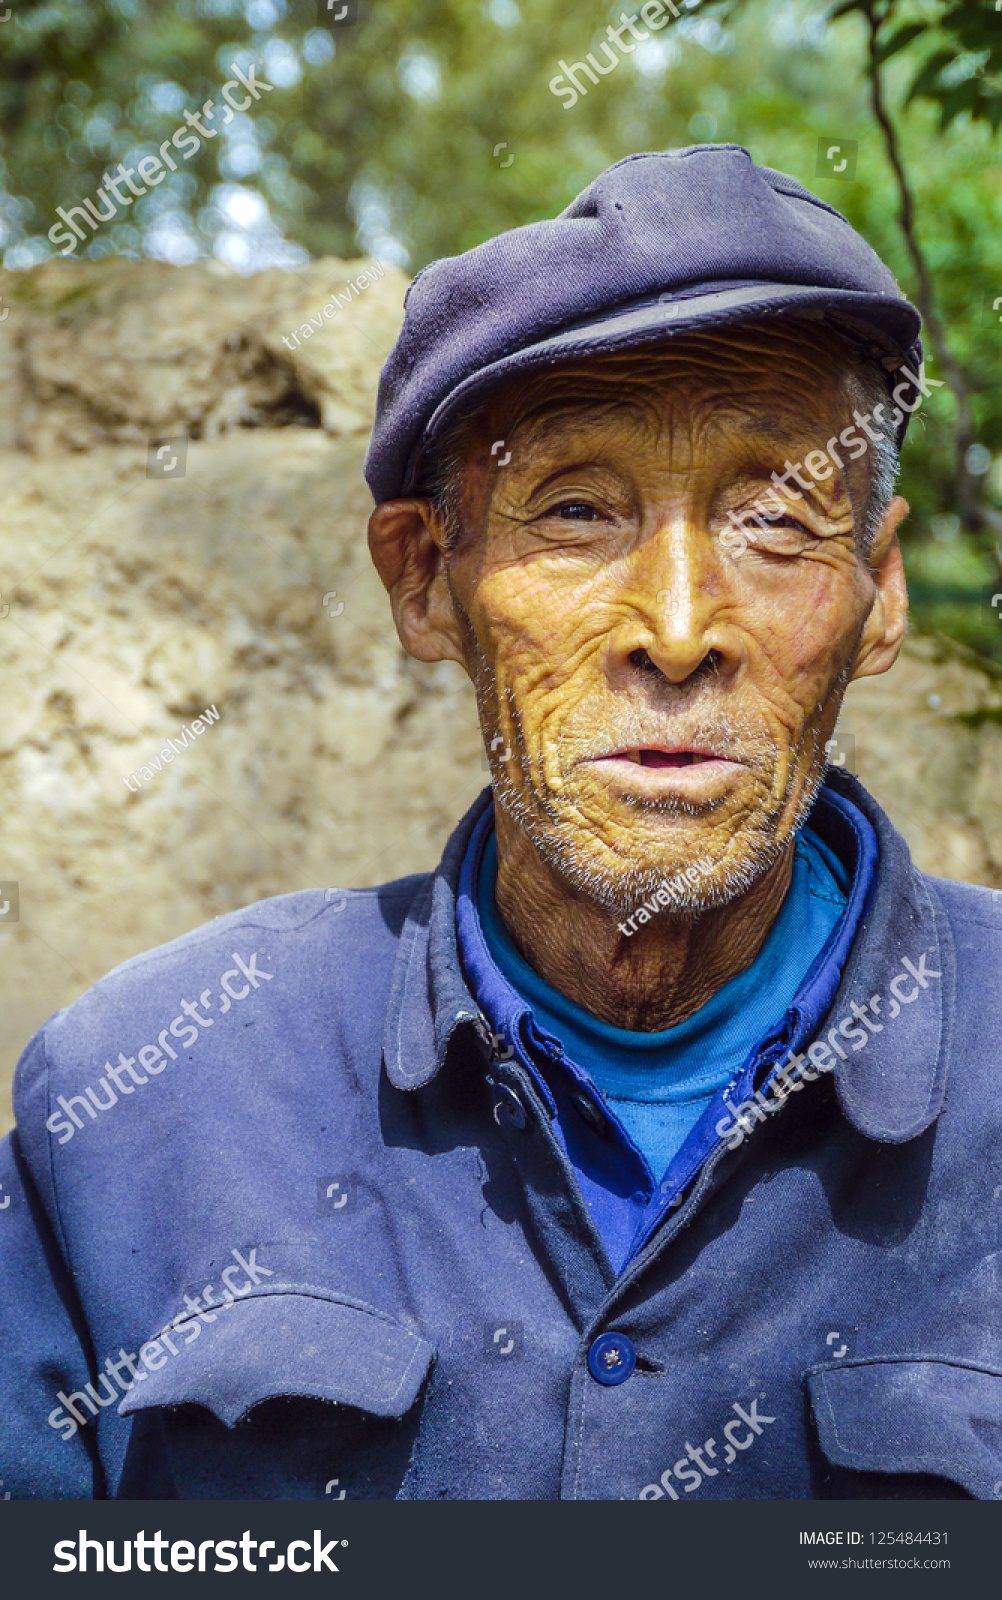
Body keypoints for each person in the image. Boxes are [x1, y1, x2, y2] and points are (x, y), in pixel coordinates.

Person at [1, 145, 995, 1501]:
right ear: (425, 580)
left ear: (876, 598)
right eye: (577, 511)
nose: (679, 630)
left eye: (772, 518)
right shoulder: (148, 1101)